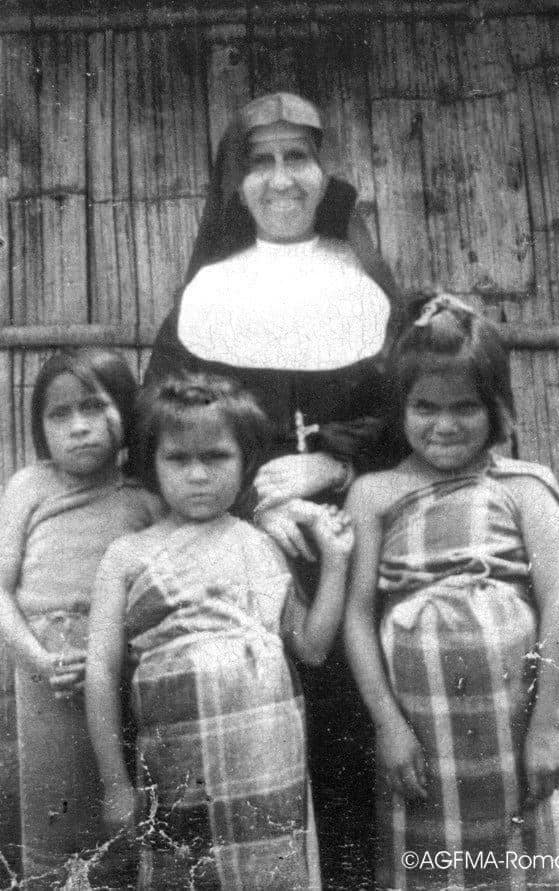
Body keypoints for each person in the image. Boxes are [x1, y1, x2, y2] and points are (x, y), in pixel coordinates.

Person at [144, 91, 400, 885]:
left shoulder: (366, 283)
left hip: (358, 546)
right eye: (261, 161)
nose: (281, 178)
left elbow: (417, 415)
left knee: (351, 746)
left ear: (325, 173)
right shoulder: (206, 296)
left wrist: (335, 464)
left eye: (298, 157)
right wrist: (255, 495)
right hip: (237, 548)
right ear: (235, 182)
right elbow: (159, 432)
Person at [85, 373, 354, 890]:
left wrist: (336, 561)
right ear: (152, 462)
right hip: (176, 766)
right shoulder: (128, 556)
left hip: (267, 766)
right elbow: (100, 671)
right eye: (178, 459)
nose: (198, 475)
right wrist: (114, 783)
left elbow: (312, 647)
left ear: (245, 460)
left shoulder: (261, 544)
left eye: (216, 457)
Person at [345, 294, 559, 890]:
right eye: (425, 407)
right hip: (419, 735)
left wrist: (547, 727)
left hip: (513, 729)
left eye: (465, 407)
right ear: (401, 408)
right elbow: (357, 618)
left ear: (496, 408)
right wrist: (387, 725)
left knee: (518, 868)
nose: (443, 425)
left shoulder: (526, 488)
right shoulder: (374, 493)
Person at [0, 349, 162, 888]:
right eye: (59, 414)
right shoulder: (29, 487)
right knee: (56, 817)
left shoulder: (146, 497)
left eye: (94, 407)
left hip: (118, 672)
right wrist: (38, 659)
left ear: (126, 410)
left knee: (121, 818)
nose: (78, 427)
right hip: (46, 672)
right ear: (40, 428)